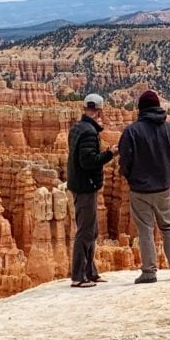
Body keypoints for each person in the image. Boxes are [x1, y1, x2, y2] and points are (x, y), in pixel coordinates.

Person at [118, 90, 170, 284]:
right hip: (163, 188)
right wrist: (169, 164)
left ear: (141, 109)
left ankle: (149, 272)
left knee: (145, 231)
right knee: (168, 226)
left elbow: (125, 159)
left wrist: (129, 176)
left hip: (139, 190)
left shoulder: (131, 131)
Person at [66, 93, 115, 288]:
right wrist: (110, 153)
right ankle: (78, 276)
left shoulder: (78, 127)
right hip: (85, 185)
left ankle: (91, 272)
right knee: (85, 231)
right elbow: (88, 161)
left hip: (80, 184)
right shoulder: (88, 132)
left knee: (91, 230)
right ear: (100, 110)